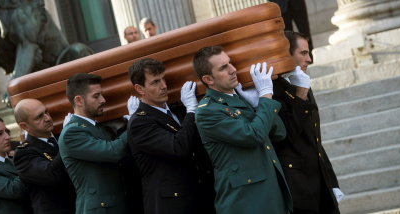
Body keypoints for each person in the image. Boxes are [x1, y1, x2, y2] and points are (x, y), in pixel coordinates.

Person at [192, 46, 293, 214]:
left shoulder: (239, 98)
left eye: (230, 63)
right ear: (208, 79)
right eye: (223, 67)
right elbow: (254, 135)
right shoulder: (207, 111)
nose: (233, 69)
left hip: (270, 195)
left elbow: (279, 133)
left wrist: (257, 104)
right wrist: (265, 97)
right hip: (245, 202)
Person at [127, 58, 216, 214]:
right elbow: (178, 147)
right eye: (155, 82)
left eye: (163, 79)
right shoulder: (139, 123)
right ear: (140, 89)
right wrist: (191, 110)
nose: (164, 86)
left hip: (199, 199)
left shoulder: (177, 111)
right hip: (171, 206)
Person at [272, 30, 344, 213]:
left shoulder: (301, 82)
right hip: (299, 190)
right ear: (287, 54)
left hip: (321, 184)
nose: (309, 59)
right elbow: (286, 135)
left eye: (309, 52)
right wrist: (301, 95)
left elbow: (315, 139)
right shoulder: (272, 90)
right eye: (303, 53)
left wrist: (332, 182)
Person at [59, 73, 129, 213]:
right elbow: (114, 152)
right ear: (79, 100)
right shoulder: (72, 133)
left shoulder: (92, 127)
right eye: (96, 96)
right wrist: (134, 124)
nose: (103, 100)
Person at [13, 98, 76, 214]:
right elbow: (53, 175)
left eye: (46, 112)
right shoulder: (23, 154)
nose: (47, 118)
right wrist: (66, 138)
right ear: (25, 126)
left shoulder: (58, 139)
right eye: (39, 117)